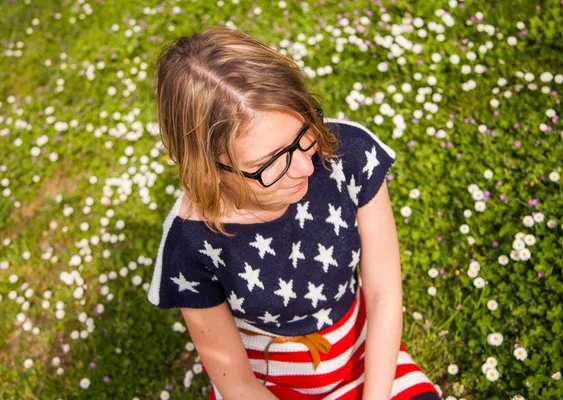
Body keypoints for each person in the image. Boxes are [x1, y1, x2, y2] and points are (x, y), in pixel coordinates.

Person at [148, 26, 440, 400]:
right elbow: (237, 383)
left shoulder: (348, 156)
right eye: (269, 163)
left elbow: (384, 292)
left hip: (364, 357)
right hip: (269, 384)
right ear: (208, 167)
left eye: (304, 133)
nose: (304, 167)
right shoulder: (190, 243)